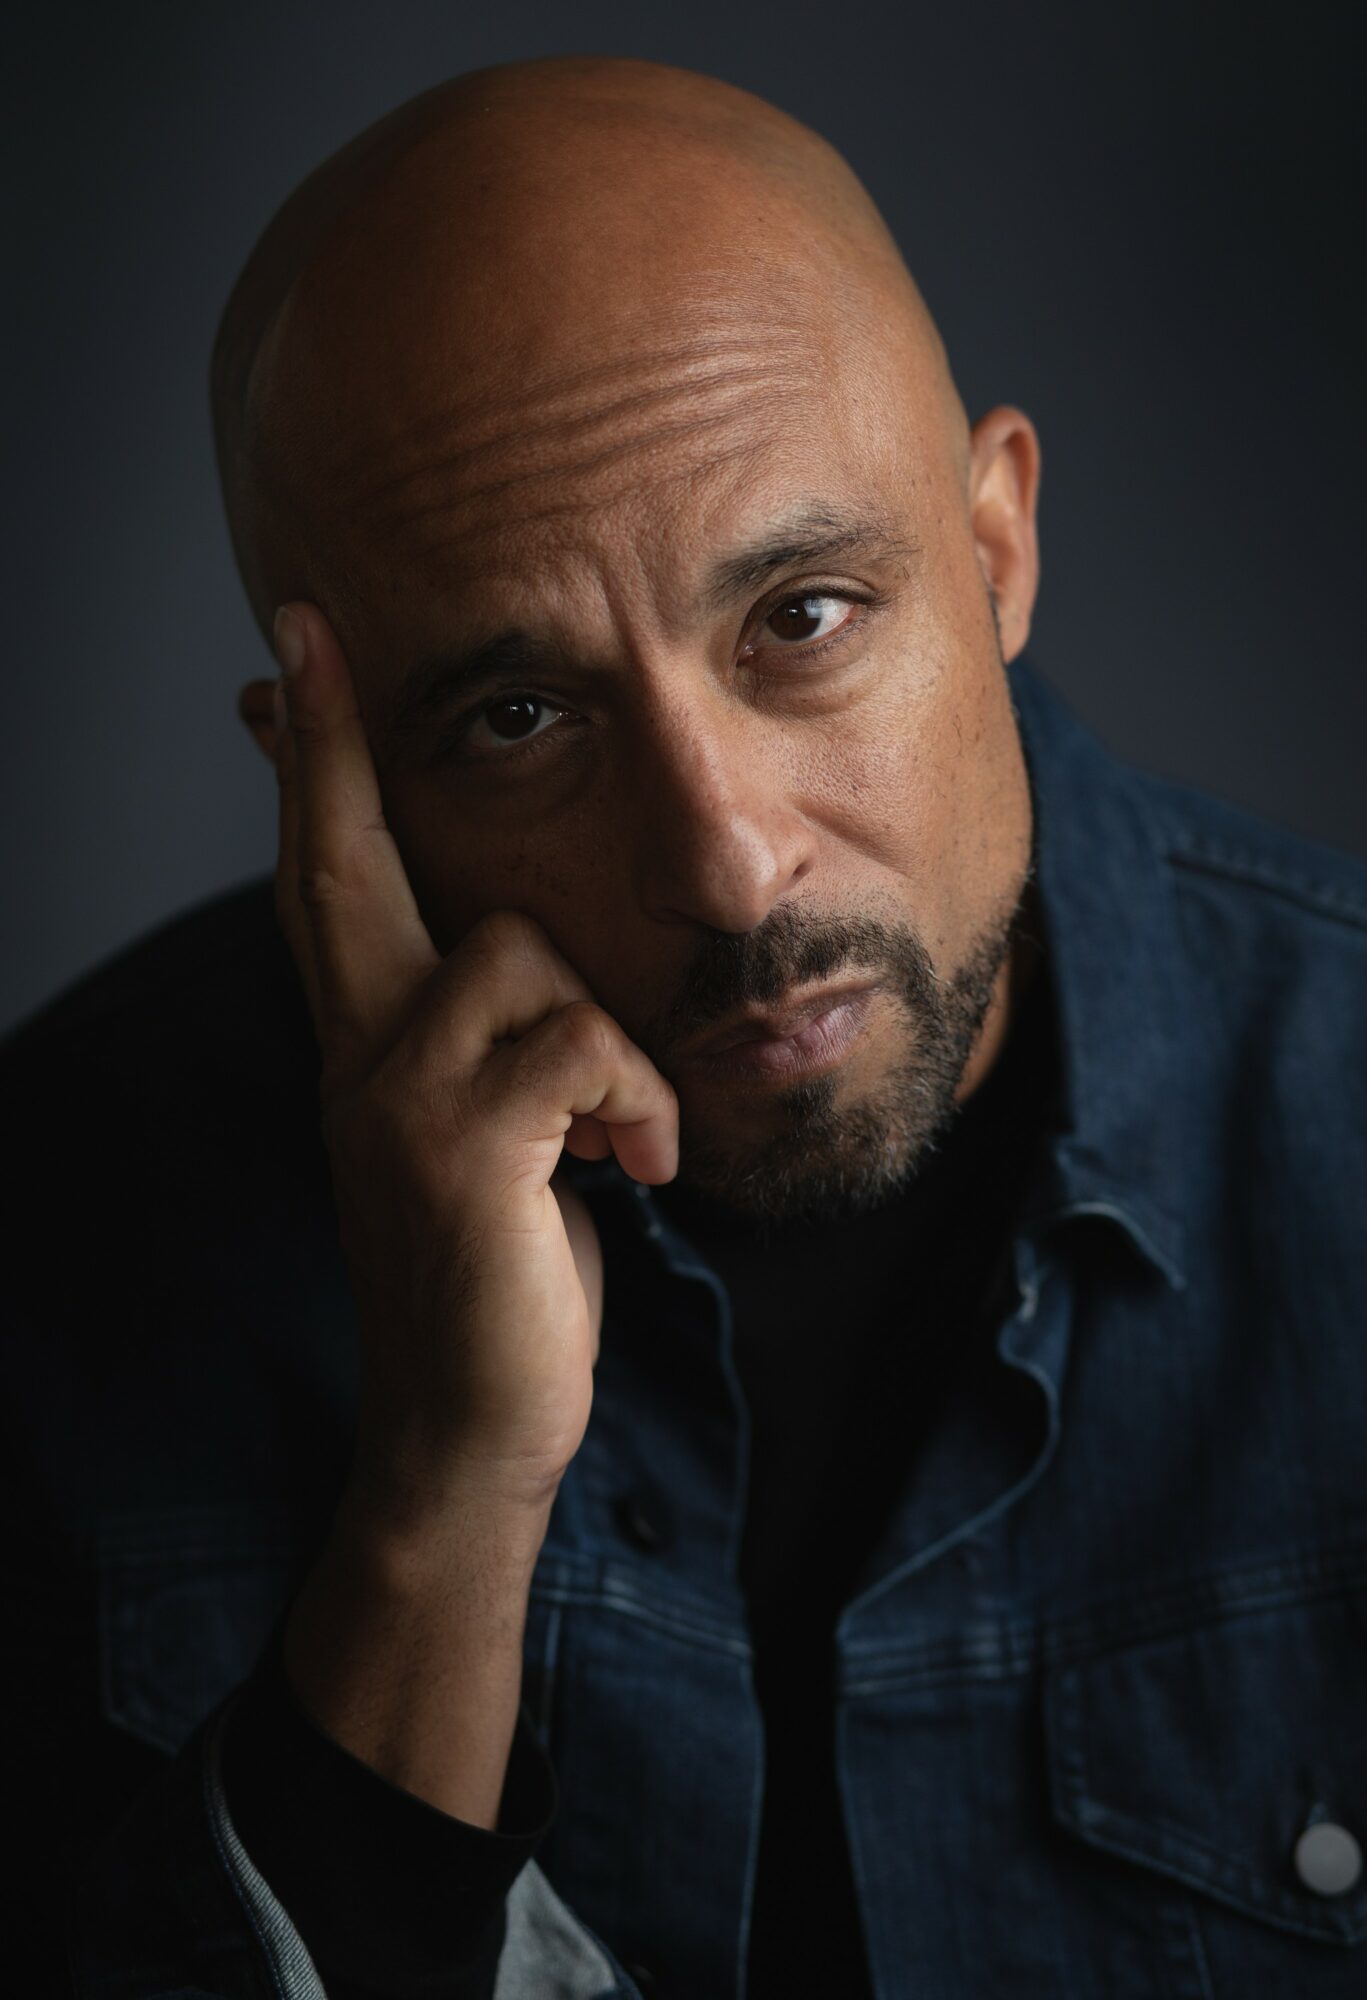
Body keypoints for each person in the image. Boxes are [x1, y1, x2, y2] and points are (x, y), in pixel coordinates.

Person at [4, 52, 1365, 2000]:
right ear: (330, 775)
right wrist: (444, 1501)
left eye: (800, 618)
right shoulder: (57, 1244)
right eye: (522, 720)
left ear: (995, 549)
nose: (728, 865)